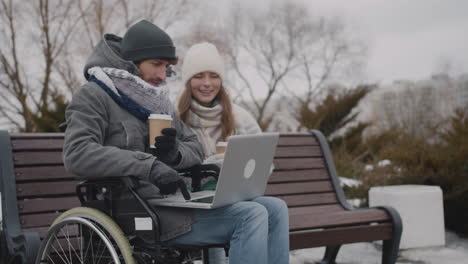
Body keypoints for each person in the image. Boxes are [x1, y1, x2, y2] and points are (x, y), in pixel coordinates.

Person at [63, 20, 289, 264]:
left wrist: (174, 155)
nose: (163, 75)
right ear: (132, 62)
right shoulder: (94, 96)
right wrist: (148, 165)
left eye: (167, 66)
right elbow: (77, 153)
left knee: (276, 208)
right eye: (156, 64)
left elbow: (195, 145)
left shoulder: (157, 101)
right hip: (137, 208)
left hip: (175, 200)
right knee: (250, 215)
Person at [174, 42, 290, 264]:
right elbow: (169, 166)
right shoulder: (175, 115)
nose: (207, 83)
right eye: (199, 76)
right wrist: (210, 167)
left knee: (277, 208)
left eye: (213, 76)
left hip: (233, 199)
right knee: (252, 214)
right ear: (188, 80)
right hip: (191, 203)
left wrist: (241, 170)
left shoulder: (240, 117)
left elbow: (264, 161)